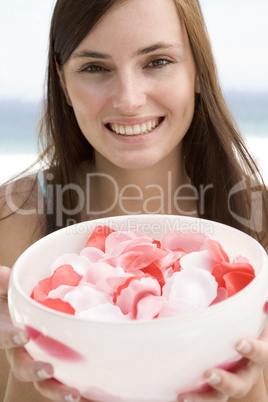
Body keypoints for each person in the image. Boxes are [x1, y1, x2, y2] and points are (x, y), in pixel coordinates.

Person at [1, 0, 268, 401]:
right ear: (63, 82)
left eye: (157, 61)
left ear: (198, 69)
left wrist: (246, 386)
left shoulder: (260, 222)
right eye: (95, 68)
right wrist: (32, 359)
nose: (129, 99)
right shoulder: (13, 222)